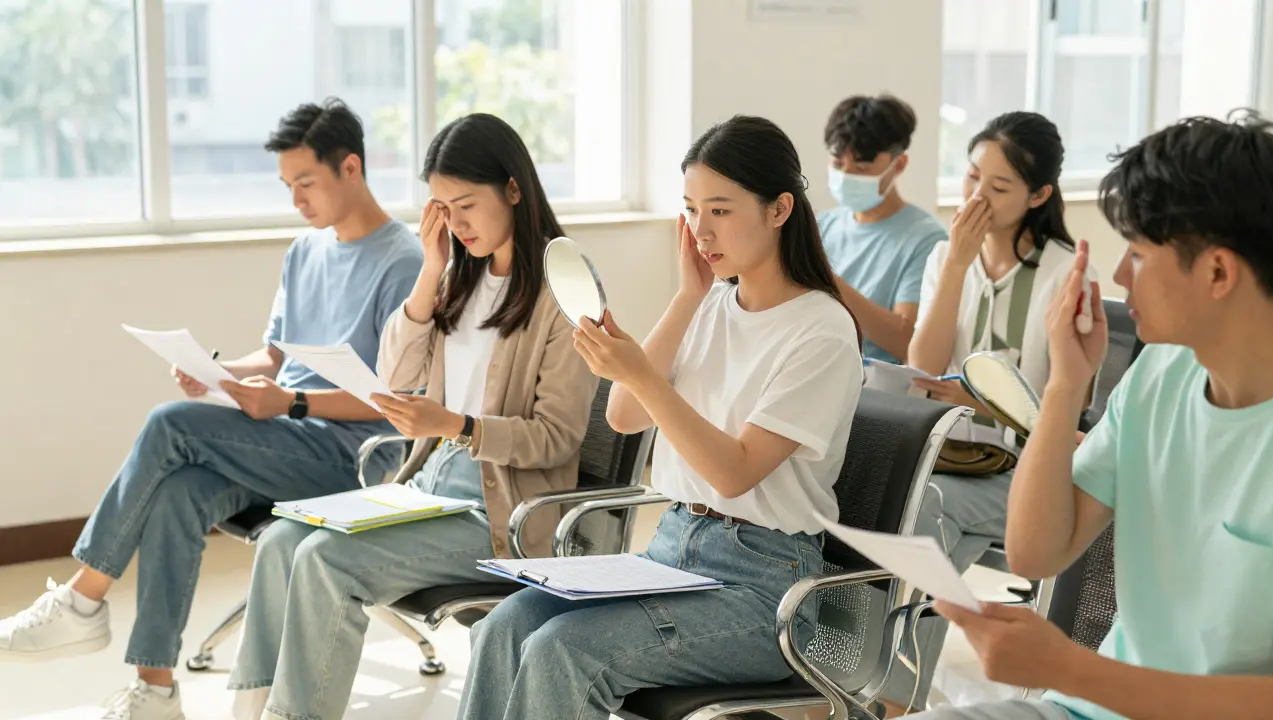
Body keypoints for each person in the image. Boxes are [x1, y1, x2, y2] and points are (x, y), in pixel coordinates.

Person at [0, 98, 422, 720]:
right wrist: (221, 372)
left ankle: (82, 600)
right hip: (287, 439)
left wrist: (292, 403)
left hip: (350, 457)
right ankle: (155, 691)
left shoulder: (404, 262)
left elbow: (399, 401)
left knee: (168, 423)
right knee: (181, 491)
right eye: (287, 185)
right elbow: (276, 357)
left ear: (351, 168)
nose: (296, 200)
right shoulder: (305, 251)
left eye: (306, 182)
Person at [456, 115, 864, 719]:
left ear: (779, 210)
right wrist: (687, 297)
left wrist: (643, 374)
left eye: (720, 210)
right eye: (692, 210)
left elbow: (733, 473)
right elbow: (624, 415)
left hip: (765, 589)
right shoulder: (710, 305)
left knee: (562, 649)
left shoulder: (821, 330)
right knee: (504, 625)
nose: (701, 230)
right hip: (672, 548)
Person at [226, 113, 598, 720]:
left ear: (513, 188)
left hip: (498, 508)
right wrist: (430, 269)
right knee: (280, 541)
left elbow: (556, 439)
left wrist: (457, 426)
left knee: (324, 560)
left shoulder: (565, 290)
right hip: (428, 483)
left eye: (467, 205)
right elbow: (394, 376)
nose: (457, 224)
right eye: (442, 209)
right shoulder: (460, 275)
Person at [911, 111, 1273, 719]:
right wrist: (1065, 385)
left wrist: (1068, 668)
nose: (1120, 274)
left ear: (1218, 271)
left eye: (1137, 252)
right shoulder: (1159, 373)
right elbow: (1034, 554)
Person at [887, 111, 1097, 714]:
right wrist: (956, 265)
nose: (977, 196)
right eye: (972, 176)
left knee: (927, 510)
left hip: (1028, 475)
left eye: (999, 187)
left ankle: (892, 694)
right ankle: (887, 685)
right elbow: (923, 364)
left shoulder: (1065, 273)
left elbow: (1068, 401)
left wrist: (978, 401)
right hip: (956, 460)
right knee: (907, 507)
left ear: (1039, 196)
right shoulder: (945, 258)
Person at [821, 94, 947, 363]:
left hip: (876, 383)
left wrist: (826, 280)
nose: (846, 176)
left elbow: (907, 343)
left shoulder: (926, 240)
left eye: (862, 168)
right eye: (838, 164)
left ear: (898, 165)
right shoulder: (821, 226)